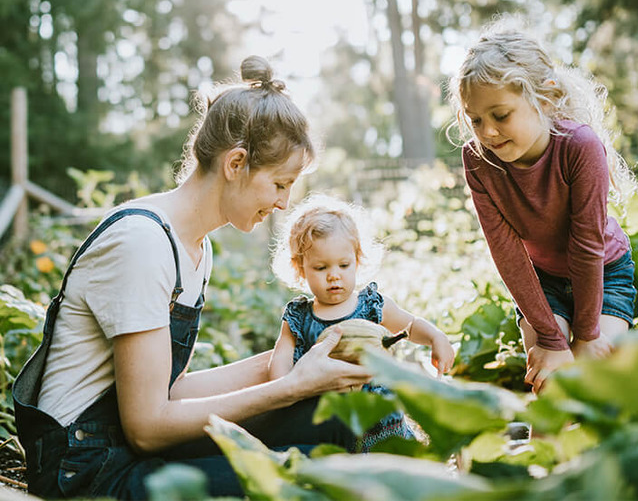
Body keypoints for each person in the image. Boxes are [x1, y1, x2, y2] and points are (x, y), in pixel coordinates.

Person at [12, 56, 372, 500]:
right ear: (235, 163)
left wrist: (292, 359)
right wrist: (289, 387)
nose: (283, 204)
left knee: (335, 418)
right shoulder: (142, 242)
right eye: (280, 184)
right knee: (304, 478)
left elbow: (168, 389)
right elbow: (146, 426)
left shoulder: (195, 247)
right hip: (86, 471)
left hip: (126, 447)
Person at [448, 19, 637, 394]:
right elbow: (507, 254)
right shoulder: (479, 160)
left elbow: (586, 246)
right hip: (542, 282)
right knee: (552, 384)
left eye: (500, 115)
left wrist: (585, 335)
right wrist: (551, 340)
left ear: (545, 98)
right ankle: (541, 454)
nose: (487, 132)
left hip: (604, 272)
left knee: (591, 383)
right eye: (475, 120)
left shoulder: (579, 147)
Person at [268, 194, 455, 449]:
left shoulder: (371, 306)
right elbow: (280, 360)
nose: (334, 276)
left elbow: (409, 325)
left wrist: (435, 337)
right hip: (331, 422)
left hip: (382, 421)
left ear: (357, 260)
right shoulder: (299, 317)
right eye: (321, 268)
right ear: (300, 268)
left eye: (344, 265)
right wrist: (285, 390)